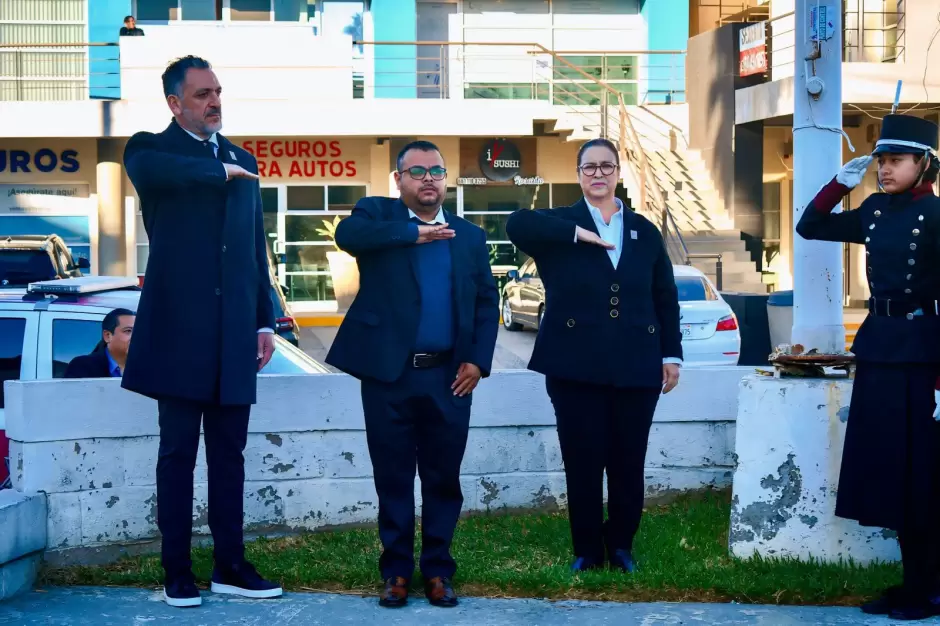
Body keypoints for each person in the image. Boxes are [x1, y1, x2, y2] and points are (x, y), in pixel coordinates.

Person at [122, 55, 281, 608]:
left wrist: (264, 318)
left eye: (217, 91)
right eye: (201, 94)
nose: (214, 101)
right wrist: (217, 171)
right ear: (174, 103)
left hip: (234, 334)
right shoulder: (150, 149)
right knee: (177, 455)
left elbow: (252, 248)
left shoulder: (243, 158)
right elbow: (160, 172)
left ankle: (231, 566)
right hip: (178, 335)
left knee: (230, 456)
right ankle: (177, 571)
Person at [326, 140, 499, 609]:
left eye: (436, 171)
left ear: (446, 181)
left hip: (450, 377)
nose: (428, 178)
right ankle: (396, 572)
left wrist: (478, 361)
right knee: (394, 477)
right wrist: (412, 234)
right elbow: (349, 237)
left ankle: (439, 571)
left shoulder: (469, 236)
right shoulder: (379, 219)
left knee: (444, 478)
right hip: (390, 377)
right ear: (399, 180)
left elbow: (486, 300)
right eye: (417, 170)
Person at [505, 137, 682, 574]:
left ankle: (621, 545)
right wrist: (575, 233)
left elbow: (665, 296)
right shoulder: (558, 224)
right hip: (574, 366)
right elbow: (516, 224)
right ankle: (586, 548)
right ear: (579, 173)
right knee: (582, 462)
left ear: (618, 173)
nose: (598, 174)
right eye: (589, 167)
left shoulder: (644, 230)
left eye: (606, 166)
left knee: (628, 462)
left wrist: (671, 354)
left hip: (638, 365)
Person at [796, 114, 940, 621]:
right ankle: (912, 584)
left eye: (895, 160)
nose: (884, 169)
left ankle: (930, 589)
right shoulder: (874, 210)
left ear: (925, 163)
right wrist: (840, 182)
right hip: (880, 349)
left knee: (923, 474)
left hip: (924, 355)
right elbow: (809, 226)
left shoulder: (938, 215)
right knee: (889, 469)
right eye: (881, 159)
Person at [64, 308, 135, 378]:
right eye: (128, 331)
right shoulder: (81, 367)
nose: (136, 336)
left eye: (139, 331)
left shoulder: (144, 367)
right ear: (107, 336)